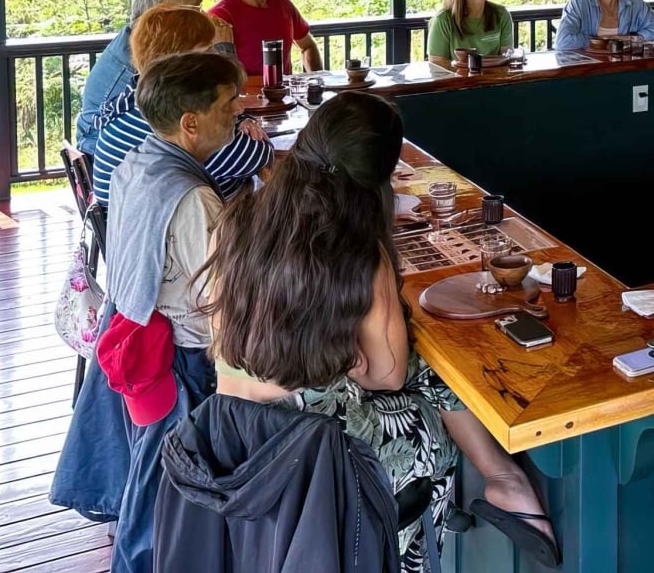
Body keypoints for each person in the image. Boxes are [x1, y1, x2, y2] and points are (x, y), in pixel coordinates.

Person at [201, 91, 561, 570]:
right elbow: (386, 376)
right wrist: (354, 356)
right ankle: (491, 486)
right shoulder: (358, 251)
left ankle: (481, 492)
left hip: (235, 437)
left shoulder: (236, 220)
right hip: (321, 458)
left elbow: (223, 332)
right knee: (426, 370)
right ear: (379, 178)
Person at [51, 51, 245, 573]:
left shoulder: (137, 162)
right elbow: (218, 300)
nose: (238, 112)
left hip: (137, 335)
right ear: (191, 122)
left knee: (151, 471)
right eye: (228, 104)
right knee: (166, 485)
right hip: (184, 357)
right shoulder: (195, 199)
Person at [90, 5, 271, 208]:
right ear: (179, 61)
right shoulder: (174, 116)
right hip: (184, 224)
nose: (216, 57)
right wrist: (241, 122)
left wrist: (241, 118)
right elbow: (257, 155)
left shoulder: (133, 100)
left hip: (134, 223)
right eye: (208, 50)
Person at [75, 0, 230, 154]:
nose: (205, 15)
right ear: (163, 12)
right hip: (116, 161)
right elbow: (210, 113)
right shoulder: (141, 63)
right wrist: (224, 50)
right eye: (195, 8)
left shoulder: (136, 41)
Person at [427, 0, 515, 69]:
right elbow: (437, 65)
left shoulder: (501, 14)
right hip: (458, 79)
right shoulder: (443, 20)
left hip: (496, 78)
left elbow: (507, 57)